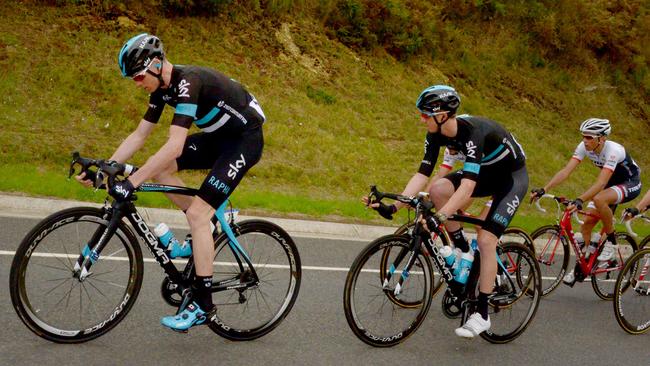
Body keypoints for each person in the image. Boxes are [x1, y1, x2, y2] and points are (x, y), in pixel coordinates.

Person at [76, 33, 266, 331]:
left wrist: (133, 181)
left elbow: (175, 146)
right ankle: (212, 223)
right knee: (164, 171)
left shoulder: (188, 83)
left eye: (138, 77)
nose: (138, 84)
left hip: (244, 141)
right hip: (219, 138)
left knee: (196, 214)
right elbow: (140, 135)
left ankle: (203, 305)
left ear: (155, 64)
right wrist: (106, 168)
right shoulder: (161, 90)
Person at [364, 85, 528, 338]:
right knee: (439, 189)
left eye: (425, 115)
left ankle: (482, 314)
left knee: (486, 240)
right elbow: (422, 174)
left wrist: (440, 217)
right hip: (486, 173)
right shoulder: (435, 135)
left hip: (510, 179)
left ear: (442, 115)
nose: (421, 119)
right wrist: (395, 205)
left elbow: (467, 187)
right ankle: (462, 249)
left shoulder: (473, 133)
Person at [530, 118, 641, 286]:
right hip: (611, 184)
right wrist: (544, 189)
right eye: (583, 136)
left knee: (598, 198)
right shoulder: (584, 147)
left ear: (602, 138)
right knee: (587, 224)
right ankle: (582, 266)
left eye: (589, 137)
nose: (585, 141)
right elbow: (566, 171)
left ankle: (612, 243)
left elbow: (601, 183)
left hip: (630, 182)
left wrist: (581, 199)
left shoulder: (613, 150)